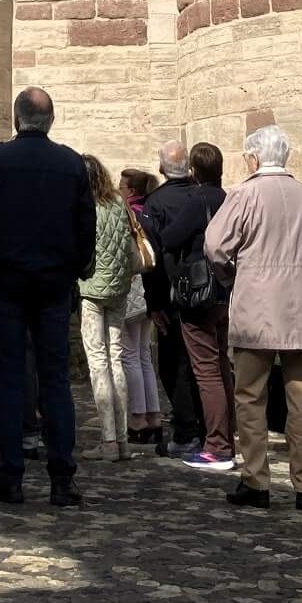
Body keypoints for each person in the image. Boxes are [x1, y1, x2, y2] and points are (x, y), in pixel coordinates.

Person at [0, 87, 95, 508]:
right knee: (55, 378)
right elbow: (84, 226)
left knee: (10, 379)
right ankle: (62, 477)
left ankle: (11, 474)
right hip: (54, 283)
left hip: (7, 280)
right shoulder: (71, 163)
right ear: (51, 120)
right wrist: (74, 267)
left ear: (17, 118)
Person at [204, 125, 302, 513]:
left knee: (250, 397)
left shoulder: (244, 195)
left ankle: (256, 480)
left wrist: (231, 274)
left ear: (254, 158)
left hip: (257, 309)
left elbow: (214, 245)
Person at [156, 140, 234, 472]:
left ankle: (217, 444)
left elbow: (170, 238)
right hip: (226, 292)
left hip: (200, 292)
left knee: (205, 371)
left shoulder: (198, 199)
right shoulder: (228, 199)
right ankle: (230, 436)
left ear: (194, 171)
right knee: (221, 365)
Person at [140, 140, 203, 452]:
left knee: (173, 363)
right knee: (203, 363)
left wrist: (154, 304)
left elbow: (151, 257)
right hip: (206, 292)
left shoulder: (156, 203)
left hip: (173, 294)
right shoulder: (202, 195)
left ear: (162, 167)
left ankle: (186, 430)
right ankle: (207, 428)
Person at [77, 154, 135, 462]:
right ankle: (122, 440)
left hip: (92, 290)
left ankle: (109, 440)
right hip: (119, 290)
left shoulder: (87, 208)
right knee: (117, 358)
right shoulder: (118, 204)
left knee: (98, 362)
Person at [117, 169, 162, 448]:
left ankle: (136, 418)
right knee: (143, 354)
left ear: (131, 190)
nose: (117, 188)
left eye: (121, 185)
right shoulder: (151, 210)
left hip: (133, 289)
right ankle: (153, 416)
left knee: (130, 354)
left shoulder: (128, 213)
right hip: (150, 292)